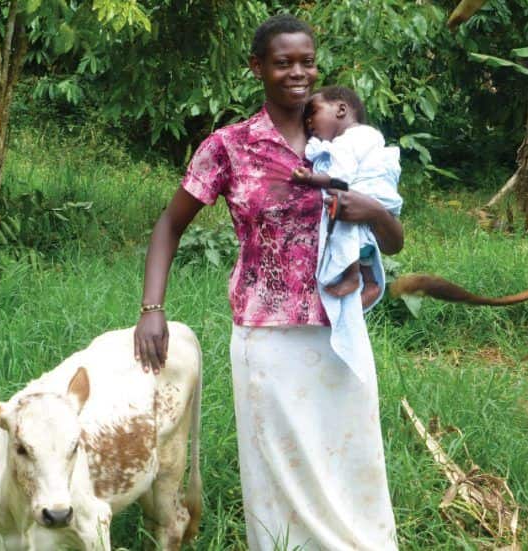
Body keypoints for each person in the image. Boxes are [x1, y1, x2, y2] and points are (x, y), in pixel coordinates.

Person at [134, 14, 402, 551]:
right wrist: (152, 307)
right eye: (283, 63)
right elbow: (169, 224)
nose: (298, 73)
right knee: (279, 464)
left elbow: (392, 239)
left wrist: (371, 208)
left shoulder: (350, 144)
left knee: (352, 455)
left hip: (340, 330)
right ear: (258, 67)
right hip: (267, 334)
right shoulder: (230, 146)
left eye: (307, 62)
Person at [292, 86, 403, 311]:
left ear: (341, 110)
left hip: (370, 192)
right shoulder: (369, 134)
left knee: (340, 218)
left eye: (312, 114)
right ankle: (370, 281)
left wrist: (311, 178)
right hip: (380, 197)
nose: (309, 124)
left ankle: (353, 276)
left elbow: (340, 177)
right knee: (358, 232)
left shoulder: (346, 140)